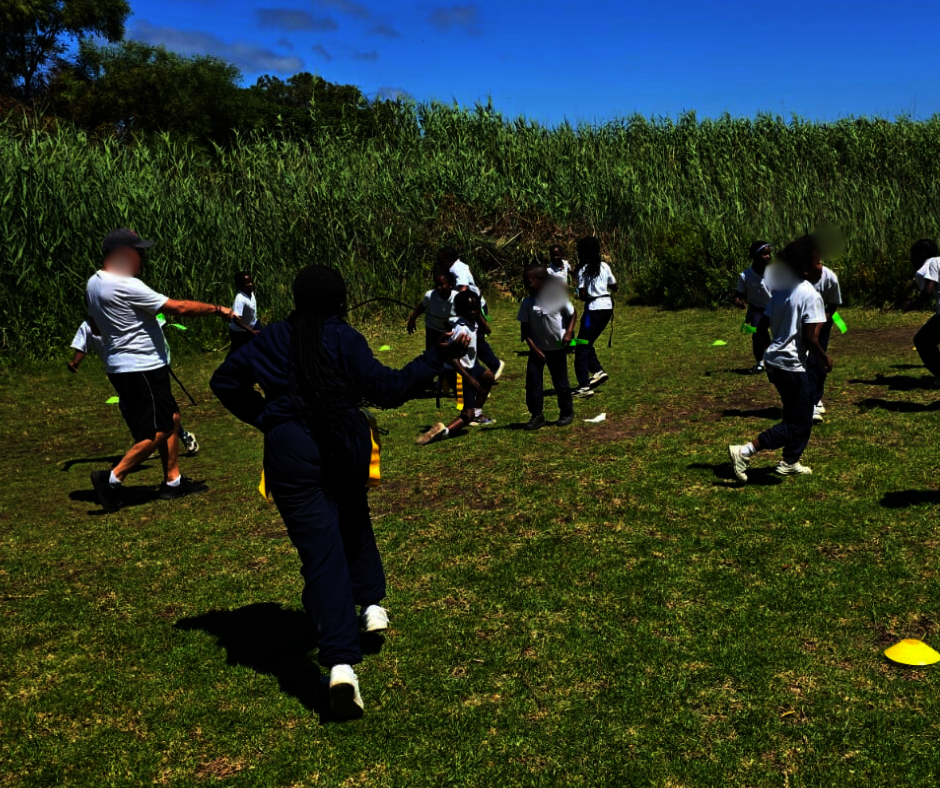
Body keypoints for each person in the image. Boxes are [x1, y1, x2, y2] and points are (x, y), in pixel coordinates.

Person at [210, 265, 469, 718]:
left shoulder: (268, 338)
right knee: (351, 515)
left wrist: (267, 416)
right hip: (343, 443)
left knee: (322, 551)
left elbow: (224, 381)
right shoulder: (345, 338)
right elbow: (387, 390)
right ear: (338, 300)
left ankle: (354, 637)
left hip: (290, 451)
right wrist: (434, 358)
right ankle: (356, 631)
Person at [86, 228, 236, 512]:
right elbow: (177, 308)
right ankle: (112, 479)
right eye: (138, 252)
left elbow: (99, 323)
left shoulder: (94, 283)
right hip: (139, 367)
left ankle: (173, 481)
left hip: (129, 365)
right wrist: (218, 309)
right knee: (157, 430)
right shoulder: (126, 285)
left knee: (172, 417)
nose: (142, 257)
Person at [727, 235, 831, 483]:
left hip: (774, 362)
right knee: (798, 423)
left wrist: (770, 351)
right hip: (791, 366)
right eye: (818, 263)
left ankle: (791, 461)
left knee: (800, 413)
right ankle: (744, 451)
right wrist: (824, 359)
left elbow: (762, 327)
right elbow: (810, 338)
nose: (822, 267)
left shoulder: (783, 291)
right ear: (805, 268)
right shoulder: (811, 295)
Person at [69, 316, 199, 455]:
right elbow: (82, 346)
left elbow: (155, 324)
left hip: (144, 365)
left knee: (155, 404)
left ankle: (182, 436)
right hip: (121, 372)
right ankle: (143, 442)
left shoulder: (120, 315)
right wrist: (75, 362)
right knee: (131, 406)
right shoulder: (88, 326)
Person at [416, 290, 496, 444]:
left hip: (470, 365)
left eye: (476, 308)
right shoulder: (462, 330)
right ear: (461, 310)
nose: (473, 312)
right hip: (458, 371)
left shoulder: (468, 321)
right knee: (467, 413)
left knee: (488, 377)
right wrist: (469, 379)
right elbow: (451, 357)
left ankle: (477, 413)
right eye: (469, 309)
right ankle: (443, 433)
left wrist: (481, 320)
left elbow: (485, 328)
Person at [518, 265, 577, 430]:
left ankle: (566, 412)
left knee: (560, 383)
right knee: (533, 382)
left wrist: (569, 333)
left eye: (529, 282)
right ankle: (537, 415)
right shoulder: (527, 302)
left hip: (556, 349)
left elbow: (573, 314)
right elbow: (525, 331)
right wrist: (534, 349)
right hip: (537, 350)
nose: (526, 285)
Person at [436, 246, 506, 380]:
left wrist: (453, 305)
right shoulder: (456, 268)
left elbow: (463, 289)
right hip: (468, 309)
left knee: (475, 341)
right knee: (472, 341)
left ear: (450, 260)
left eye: (441, 261)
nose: (440, 264)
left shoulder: (458, 270)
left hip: (472, 309)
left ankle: (492, 366)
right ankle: (480, 370)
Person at [572, 237, 617, 396]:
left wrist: (579, 287)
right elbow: (615, 286)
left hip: (592, 310)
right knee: (586, 340)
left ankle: (584, 386)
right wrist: (602, 285)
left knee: (581, 345)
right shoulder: (604, 266)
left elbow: (583, 295)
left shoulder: (583, 269)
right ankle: (597, 371)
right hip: (606, 308)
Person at [810, 261, 843, 423]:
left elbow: (833, 305)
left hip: (822, 319)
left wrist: (821, 322)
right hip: (801, 321)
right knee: (803, 361)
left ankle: (815, 401)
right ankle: (808, 401)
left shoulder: (829, 277)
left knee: (816, 360)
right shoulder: (795, 276)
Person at [734, 241, 773, 374]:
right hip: (757, 309)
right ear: (755, 256)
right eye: (764, 254)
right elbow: (738, 294)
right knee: (757, 332)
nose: (768, 257)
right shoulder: (745, 276)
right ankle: (760, 362)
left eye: (769, 254)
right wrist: (738, 301)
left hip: (775, 308)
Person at [907, 239, 940, 385]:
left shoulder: (932, 263)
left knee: (922, 340)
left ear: (923, 254)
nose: (911, 259)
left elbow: (927, 291)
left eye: (913, 255)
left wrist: (913, 304)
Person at [406, 269, 458, 350]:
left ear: (450, 285)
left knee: (450, 354)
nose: (438, 287)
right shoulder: (430, 295)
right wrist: (412, 319)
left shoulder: (458, 298)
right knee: (431, 354)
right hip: (433, 329)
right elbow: (421, 308)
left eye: (441, 285)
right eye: (436, 284)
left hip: (451, 331)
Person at [228, 271, 261, 356]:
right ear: (239, 286)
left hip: (253, 325)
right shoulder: (240, 299)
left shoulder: (250, 292)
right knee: (236, 353)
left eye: (251, 281)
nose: (250, 284)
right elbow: (236, 319)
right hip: (240, 332)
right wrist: (251, 331)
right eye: (247, 283)